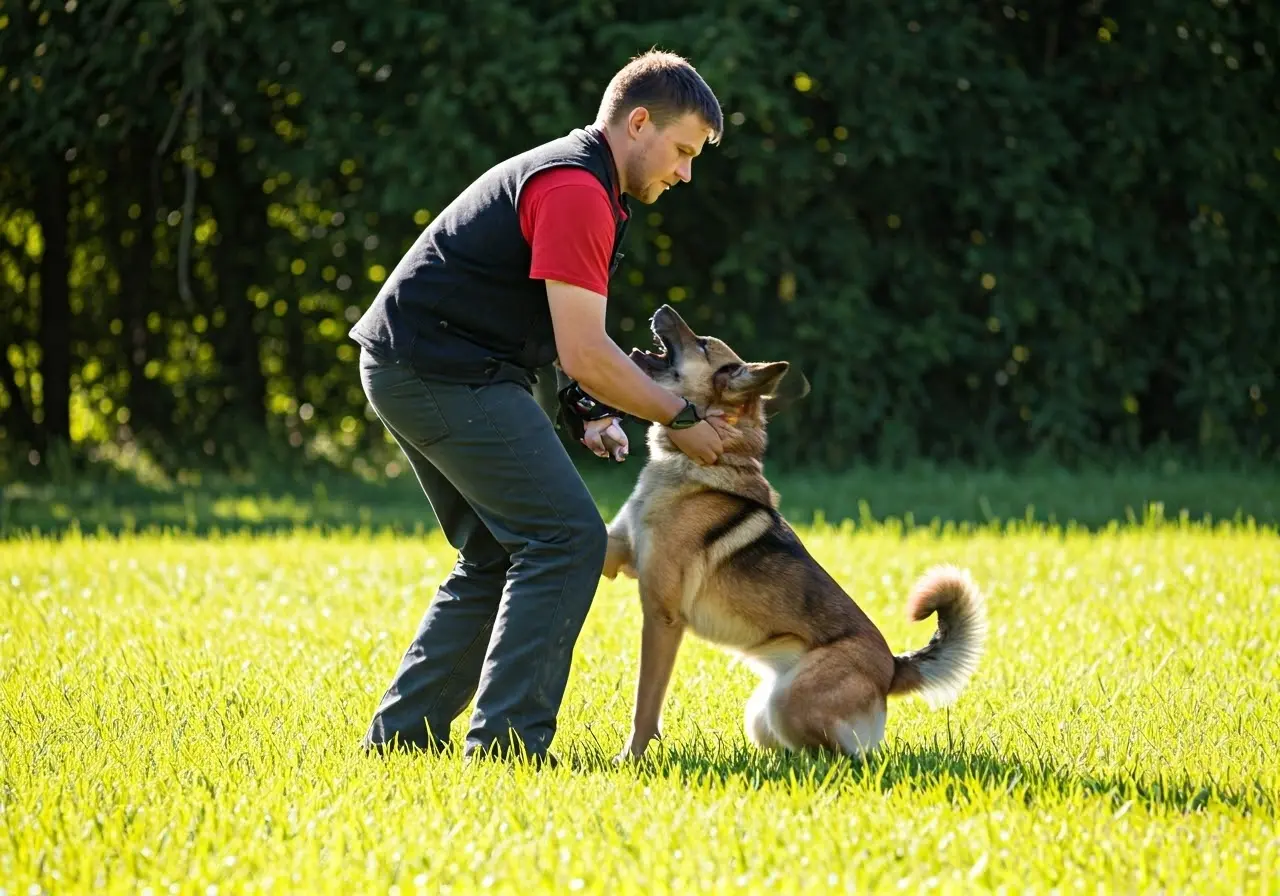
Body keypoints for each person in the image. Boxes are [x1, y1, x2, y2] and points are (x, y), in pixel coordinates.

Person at [347, 49, 730, 765]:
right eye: (682, 151)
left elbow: (564, 336)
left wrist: (586, 406)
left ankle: (401, 741)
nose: (685, 173)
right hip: (441, 368)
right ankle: (507, 746)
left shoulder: (590, 184)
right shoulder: (577, 190)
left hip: (424, 363)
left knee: (498, 548)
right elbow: (586, 352)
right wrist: (679, 418)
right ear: (638, 122)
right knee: (566, 539)